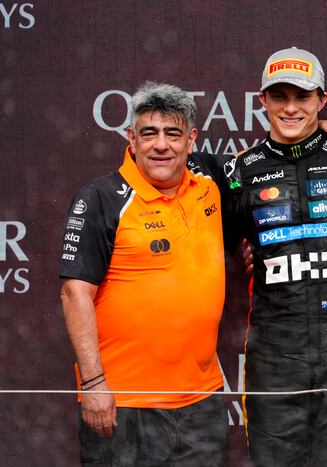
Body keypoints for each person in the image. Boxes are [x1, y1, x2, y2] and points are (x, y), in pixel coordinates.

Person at [224, 47, 327, 466]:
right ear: (262, 100)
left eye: (303, 97)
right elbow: (209, 249)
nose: (291, 108)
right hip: (274, 351)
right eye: (280, 97)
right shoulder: (240, 172)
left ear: (322, 100)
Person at [59, 82, 230, 465]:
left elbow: (273, 160)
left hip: (201, 403)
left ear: (191, 140)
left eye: (173, 133)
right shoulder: (100, 198)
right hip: (124, 404)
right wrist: (93, 385)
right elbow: (75, 294)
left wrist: (326, 130)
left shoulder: (210, 179)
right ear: (131, 139)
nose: (161, 145)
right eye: (149, 133)